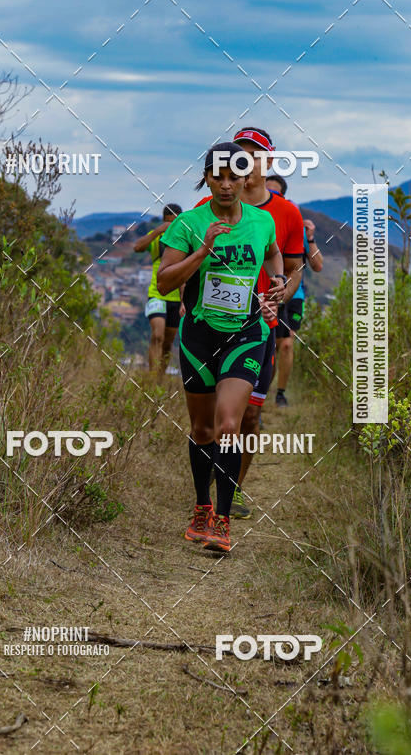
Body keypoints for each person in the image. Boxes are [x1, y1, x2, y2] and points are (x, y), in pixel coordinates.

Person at [157, 143, 285, 553]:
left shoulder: (262, 221)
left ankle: (223, 521)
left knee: (230, 424)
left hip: (246, 333)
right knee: (203, 429)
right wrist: (203, 251)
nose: (227, 185)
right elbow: (164, 282)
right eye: (219, 176)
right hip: (198, 336)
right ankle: (201, 505)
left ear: (247, 178)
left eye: (236, 176)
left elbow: (273, 253)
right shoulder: (188, 223)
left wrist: (277, 281)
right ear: (207, 178)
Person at [194, 128, 304, 519]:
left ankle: (234, 489)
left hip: (260, 327)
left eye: (255, 155)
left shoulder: (287, 213)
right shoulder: (210, 207)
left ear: (268, 163)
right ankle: (208, 492)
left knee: (250, 416)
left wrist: (280, 294)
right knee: (212, 419)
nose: (246, 161)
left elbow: (293, 268)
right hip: (211, 327)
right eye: (240, 153)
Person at [265, 175, 324, 406]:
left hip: (294, 294)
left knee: (287, 344)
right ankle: (259, 395)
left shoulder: (292, 220)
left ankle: (280, 393)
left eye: (276, 193)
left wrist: (310, 237)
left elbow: (318, 265)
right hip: (265, 291)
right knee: (268, 345)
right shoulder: (257, 220)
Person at [133, 204, 183, 374]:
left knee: (168, 342)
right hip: (157, 294)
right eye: (168, 223)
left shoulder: (185, 239)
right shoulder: (156, 238)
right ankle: (152, 376)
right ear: (164, 221)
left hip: (176, 298)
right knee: (158, 335)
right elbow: (137, 247)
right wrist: (158, 231)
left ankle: (160, 377)